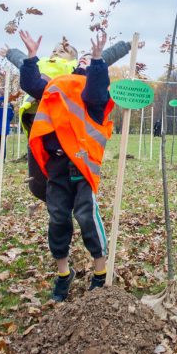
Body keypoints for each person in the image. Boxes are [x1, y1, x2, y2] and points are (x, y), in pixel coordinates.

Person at [20, 29, 113, 302]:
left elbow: (96, 94)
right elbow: (31, 84)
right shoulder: (54, 87)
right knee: (58, 217)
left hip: (82, 164)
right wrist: (31, 58)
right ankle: (63, 274)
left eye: (83, 59)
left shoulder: (89, 87)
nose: (82, 61)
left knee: (86, 215)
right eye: (80, 58)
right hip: (57, 165)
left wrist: (96, 61)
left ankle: (100, 271)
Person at [0, 36, 133, 201]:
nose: (56, 53)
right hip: (40, 122)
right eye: (54, 51)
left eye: (62, 51)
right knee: (40, 174)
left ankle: (67, 199)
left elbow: (103, 56)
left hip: (69, 128)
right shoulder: (41, 65)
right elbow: (23, 62)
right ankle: (50, 196)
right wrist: (11, 52)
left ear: (74, 60)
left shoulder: (74, 69)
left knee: (71, 177)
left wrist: (126, 45)